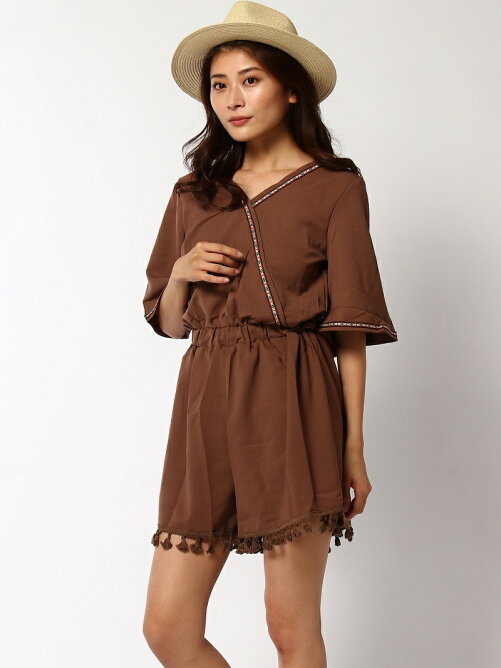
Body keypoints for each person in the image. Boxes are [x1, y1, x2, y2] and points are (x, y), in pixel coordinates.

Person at [142, 2, 398, 666]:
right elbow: (169, 323)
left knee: (289, 627)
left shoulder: (334, 187)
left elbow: (349, 328)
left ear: (290, 89)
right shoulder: (193, 192)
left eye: (250, 80)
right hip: (205, 404)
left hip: (295, 400)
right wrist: (179, 273)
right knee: (166, 627)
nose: (232, 99)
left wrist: (353, 447)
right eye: (219, 84)